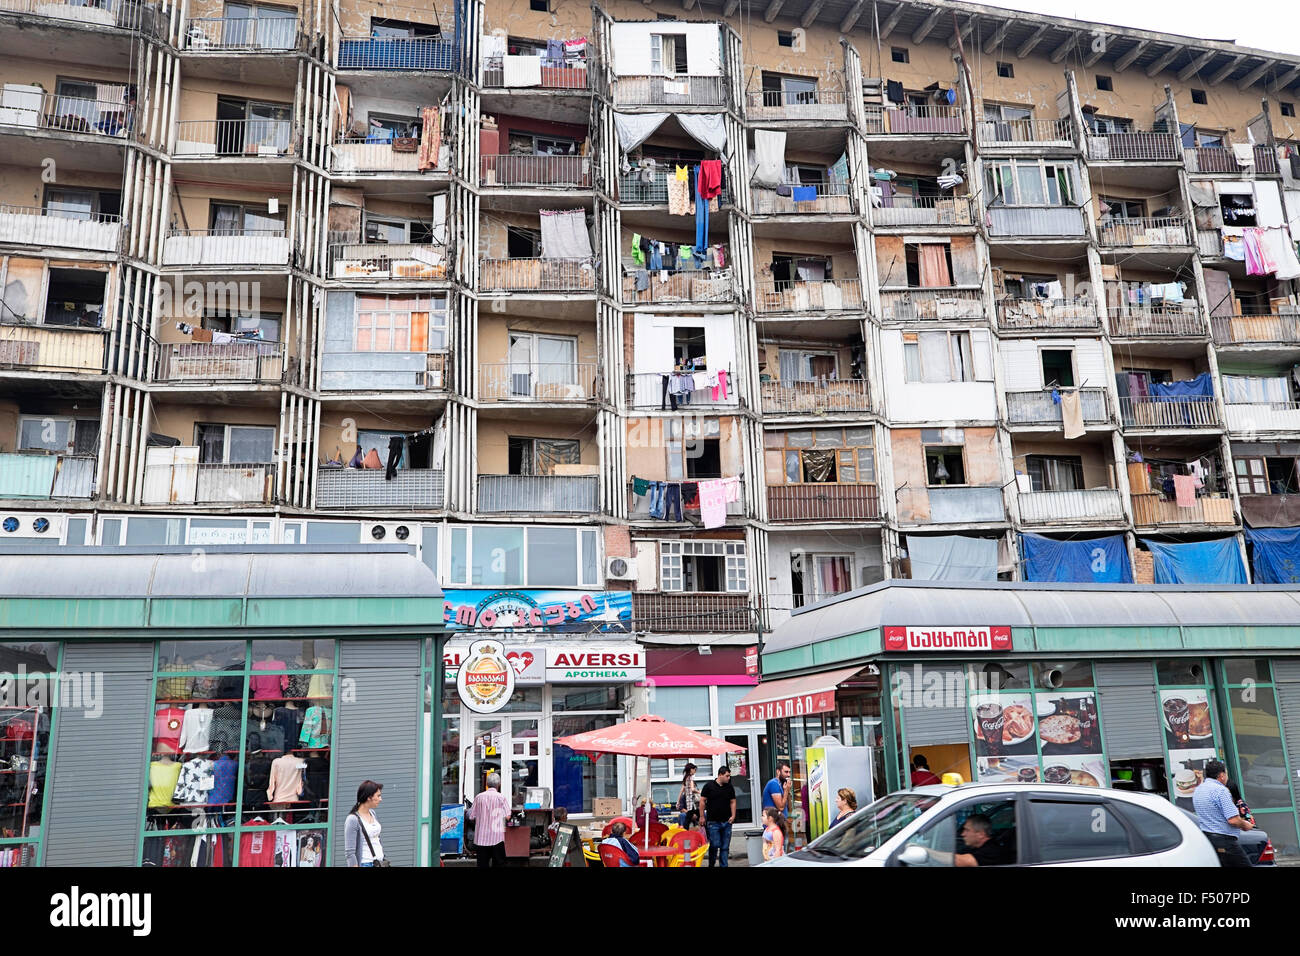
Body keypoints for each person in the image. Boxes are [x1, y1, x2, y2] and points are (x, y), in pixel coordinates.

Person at [1193, 759, 1254, 867]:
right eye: (1226, 774)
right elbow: (1233, 820)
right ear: (1221, 775)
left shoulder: (1198, 790)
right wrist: (1246, 825)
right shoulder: (1221, 790)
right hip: (1224, 841)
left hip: (1208, 839)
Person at [916, 814, 1009, 867]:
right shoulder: (974, 847)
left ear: (981, 834)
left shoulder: (992, 851)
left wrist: (927, 851)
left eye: (967, 830)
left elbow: (959, 860)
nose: (963, 834)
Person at [468, 772, 512, 868]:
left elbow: (471, 816)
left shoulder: (478, 797)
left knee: (482, 865)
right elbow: (508, 816)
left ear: (486, 784)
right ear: (499, 784)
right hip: (497, 838)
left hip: (481, 839)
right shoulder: (501, 798)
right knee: (499, 864)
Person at [699, 764, 736, 867]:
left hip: (727, 821)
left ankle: (724, 865)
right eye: (727, 776)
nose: (729, 778)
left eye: (729, 776)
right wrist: (702, 816)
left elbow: (733, 801)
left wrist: (733, 816)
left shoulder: (729, 787)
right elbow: (702, 801)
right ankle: (711, 864)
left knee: (725, 847)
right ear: (720, 775)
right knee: (714, 845)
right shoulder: (709, 786)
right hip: (713, 822)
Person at [344, 780, 385, 867]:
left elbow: (376, 839)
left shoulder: (373, 813)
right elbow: (350, 853)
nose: (380, 799)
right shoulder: (352, 819)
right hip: (365, 863)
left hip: (379, 863)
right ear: (369, 797)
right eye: (378, 796)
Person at [676, 763, 700, 829]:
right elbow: (692, 789)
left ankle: (686, 831)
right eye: (694, 769)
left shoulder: (685, 778)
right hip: (692, 802)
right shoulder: (691, 778)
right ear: (691, 769)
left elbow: (681, 790)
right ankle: (703, 832)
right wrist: (699, 791)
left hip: (688, 801)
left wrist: (678, 801)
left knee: (688, 818)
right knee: (699, 816)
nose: (695, 771)